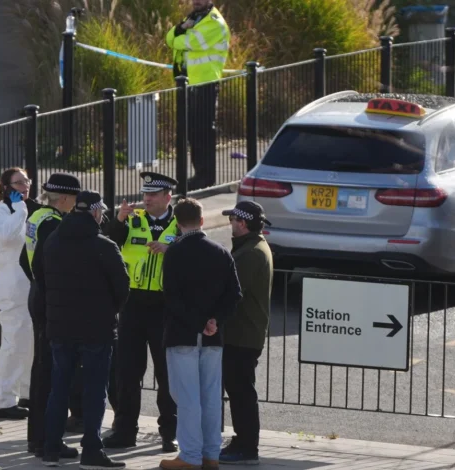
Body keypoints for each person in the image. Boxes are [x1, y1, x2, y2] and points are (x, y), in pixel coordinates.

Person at [34, 190, 129, 469]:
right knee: (94, 390)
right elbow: (122, 290)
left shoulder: (53, 240)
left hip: (60, 327)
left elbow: (40, 275)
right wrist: (109, 309)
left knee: (59, 387)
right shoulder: (104, 245)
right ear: (96, 213)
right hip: (96, 329)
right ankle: (91, 450)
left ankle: (51, 447)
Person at [159, 198, 242, 470]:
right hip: (213, 337)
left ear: (177, 222)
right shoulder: (221, 252)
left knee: (187, 398)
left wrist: (197, 322)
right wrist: (214, 321)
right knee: (209, 397)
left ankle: (190, 456)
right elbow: (234, 294)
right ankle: (211, 455)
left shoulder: (175, 252)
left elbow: (171, 297)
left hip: (183, 332)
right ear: (202, 220)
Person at [104, 171, 179, 453]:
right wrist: (119, 220)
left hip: (164, 306)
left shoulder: (179, 223)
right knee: (127, 372)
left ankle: (169, 433)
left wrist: (170, 248)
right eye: (144, 194)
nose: (145, 199)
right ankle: (124, 431)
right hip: (133, 304)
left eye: (152, 195)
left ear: (167, 196)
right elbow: (110, 245)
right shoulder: (133, 219)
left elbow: (195, 252)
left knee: (167, 374)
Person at [22, 172, 83, 458]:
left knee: (42, 368)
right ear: (66, 198)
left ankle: (38, 438)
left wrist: (37, 281)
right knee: (51, 370)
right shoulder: (55, 224)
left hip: (40, 293)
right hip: (52, 300)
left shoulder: (37, 218)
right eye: (75, 198)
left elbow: (25, 259)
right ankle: (47, 440)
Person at [219, 201, 273, 465]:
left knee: (241, 392)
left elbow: (232, 292)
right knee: (239, 389)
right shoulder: (250, 248)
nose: (230, 224)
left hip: (243, 335)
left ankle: (247, 445)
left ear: (242, 223)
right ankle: (242, 440)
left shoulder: (251, 253)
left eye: (233, 220)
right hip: (242, 333)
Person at [0, 168, 38, 420]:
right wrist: (19, 210)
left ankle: (26, 392)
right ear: (6, 186)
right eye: (18, 183)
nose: (24, 186)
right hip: (12, 281)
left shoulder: (31, 208)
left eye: (26, 182)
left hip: (29, 281)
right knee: (14, 341)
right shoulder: (3, 210)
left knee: (30, 340)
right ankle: (2, 400)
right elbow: (5, 237)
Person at [166, 0, 230, 190]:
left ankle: (205, 177)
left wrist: (181, 34)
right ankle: (198, 176)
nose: (196, 1)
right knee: (192, 132)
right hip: (189, 83)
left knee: (203, 132)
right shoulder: (193, 17)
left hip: (206, 83)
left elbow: (188, 43)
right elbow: (169, 38)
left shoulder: (214, 22)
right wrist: (180, 28)